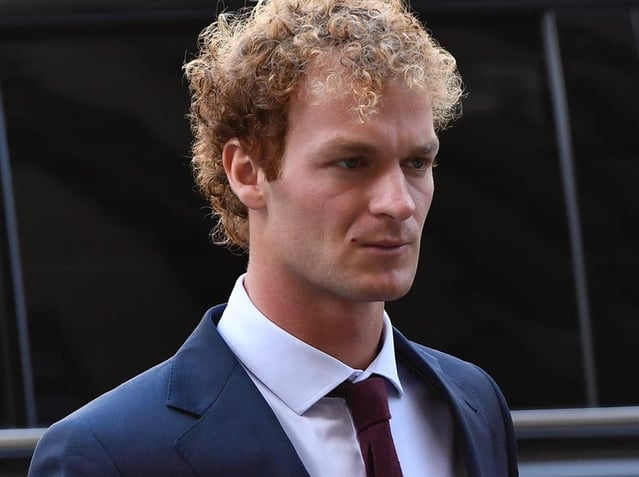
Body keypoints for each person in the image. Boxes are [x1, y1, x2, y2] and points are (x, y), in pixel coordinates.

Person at [28, 0, 518, 475]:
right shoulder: (107, 455)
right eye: (351, 163)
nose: (399, 203)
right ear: (247, 171)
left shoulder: (472, 404)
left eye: (416, 163)